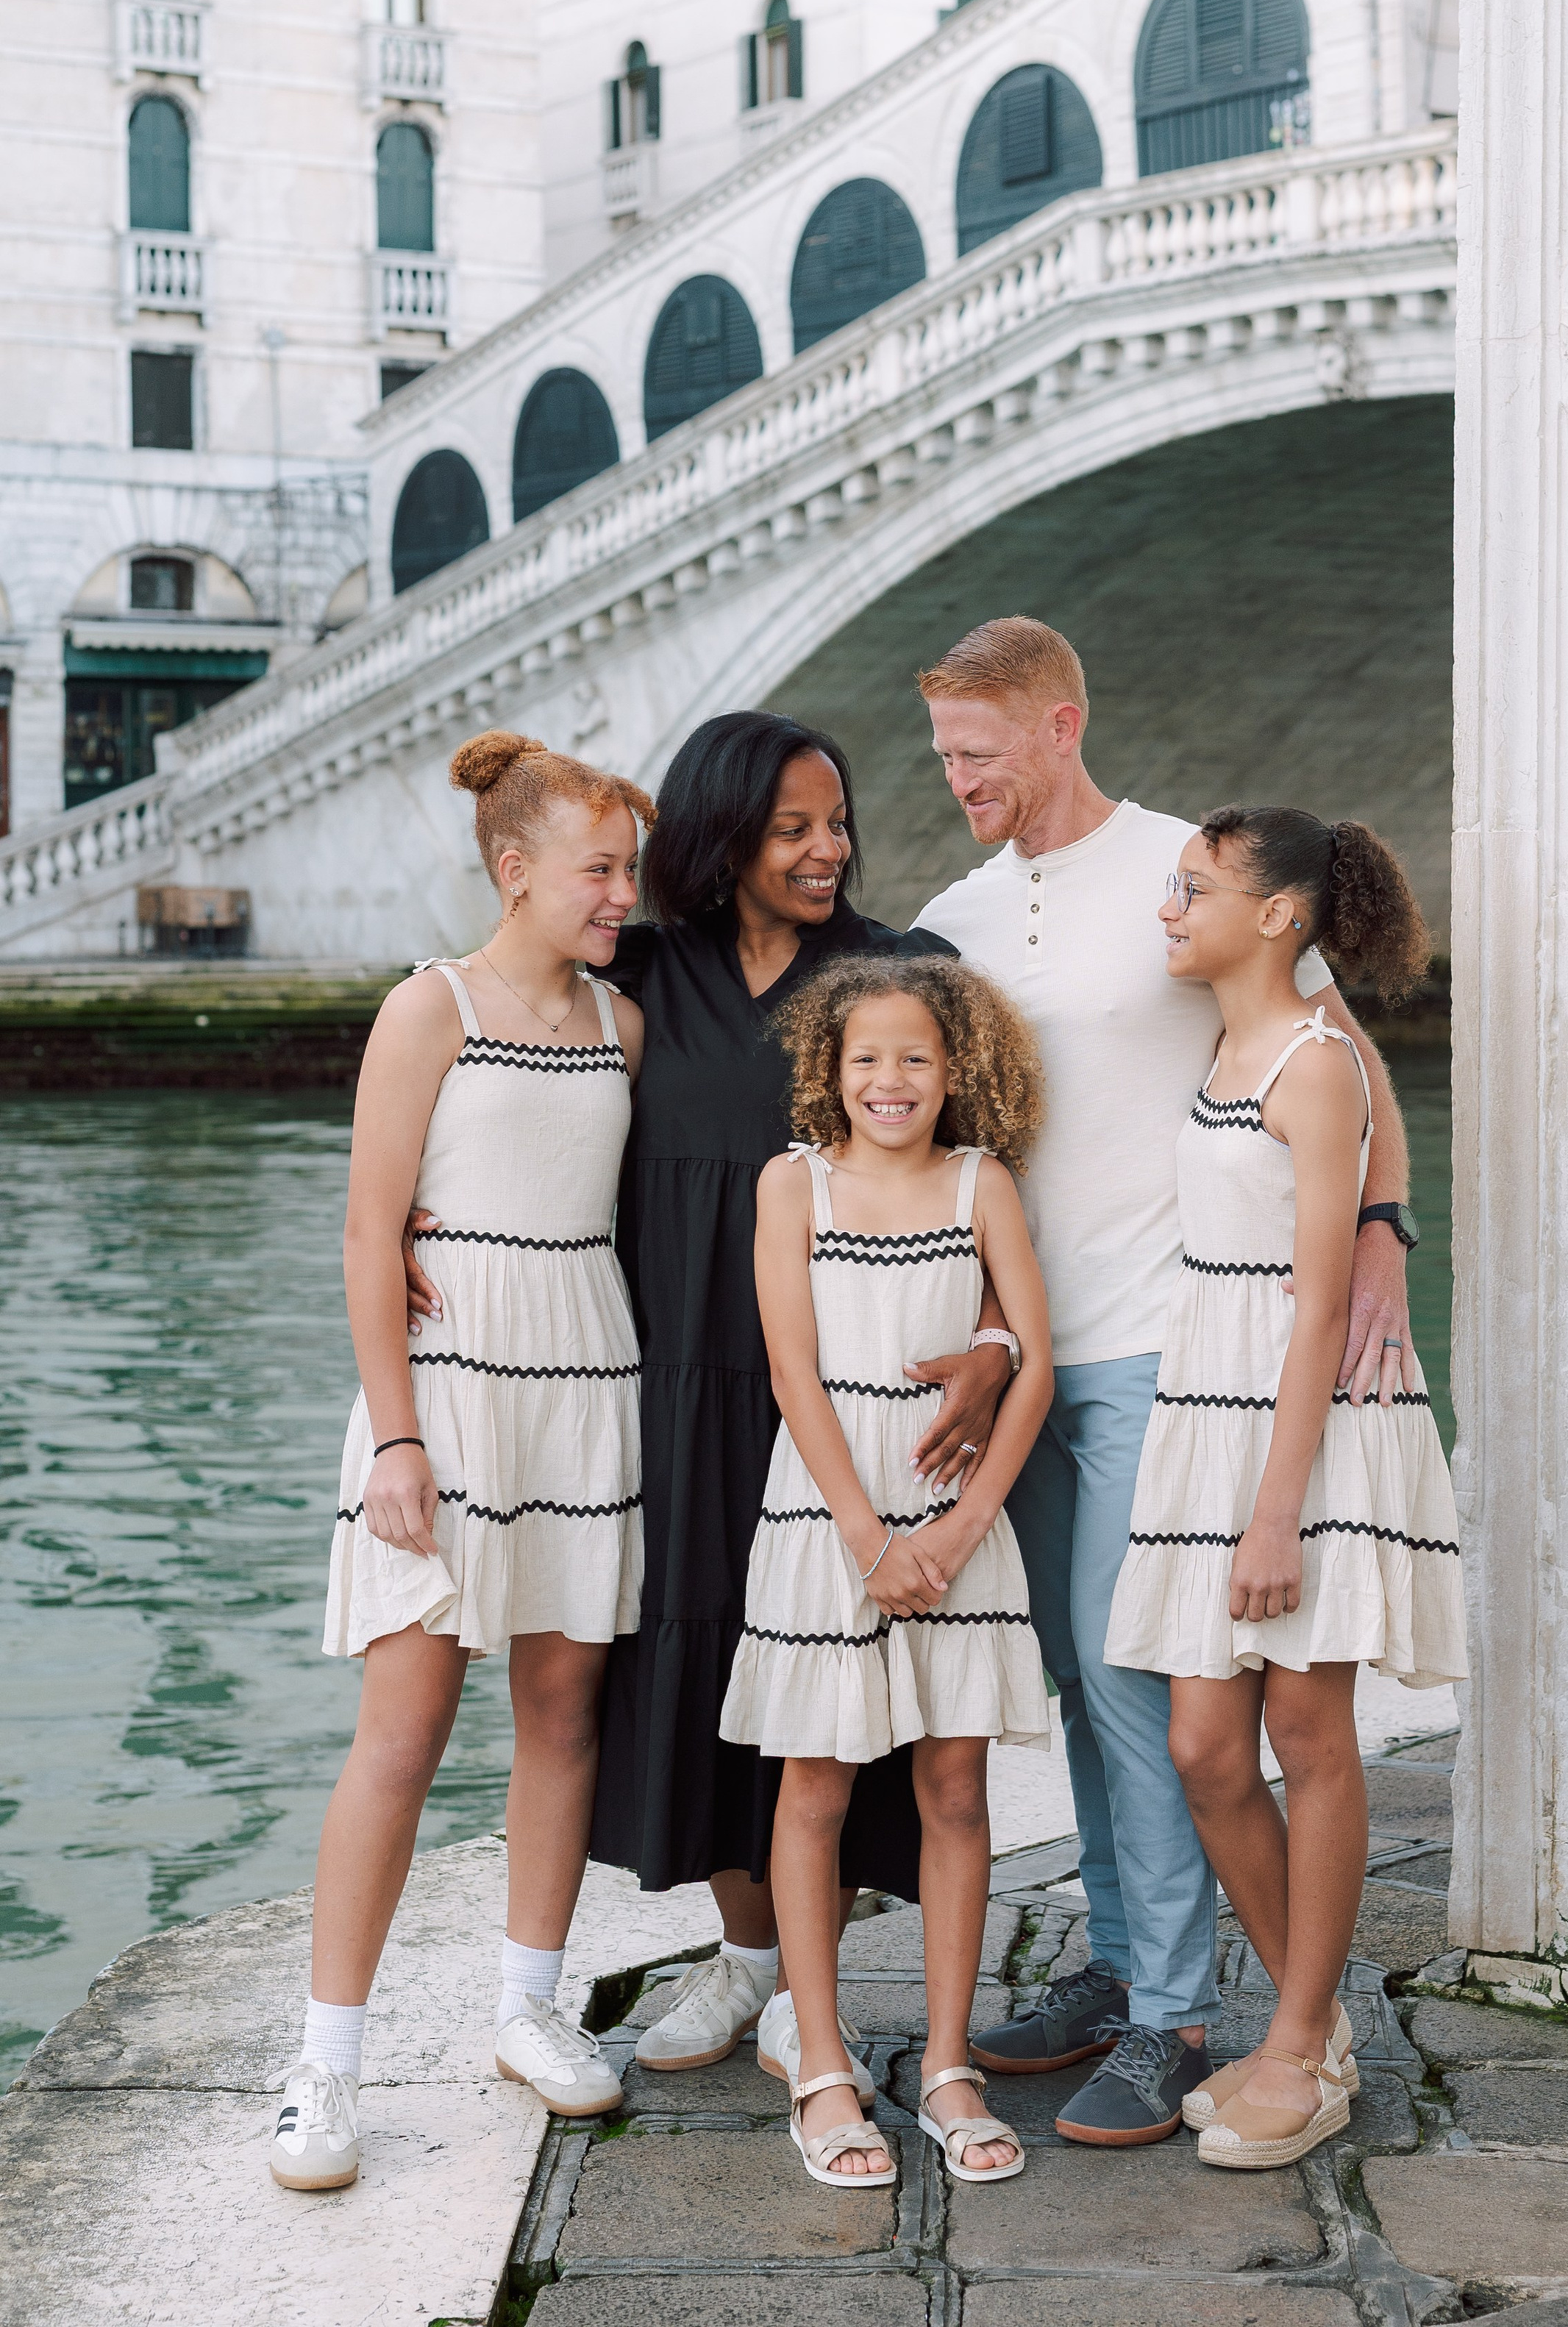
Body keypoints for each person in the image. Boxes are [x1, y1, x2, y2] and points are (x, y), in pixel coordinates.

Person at [912, 619, 1421, 2146]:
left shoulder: (1180, 879)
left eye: (977, 753)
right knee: (1080, 1674)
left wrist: (1383, 1227)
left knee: (1142, 1690)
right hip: (1023, 1350)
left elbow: (1337, 1058)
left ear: (1057, 724)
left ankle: (1171, 2015)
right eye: (940, 754)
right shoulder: (952, 915)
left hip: (1170, 1348)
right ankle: (1126, 1954)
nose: (957, 780)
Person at [577, 712, 1013, 2082]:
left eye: (837, 825)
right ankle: (752, 1962)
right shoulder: (646, 971)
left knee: (868, 1693)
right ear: (720, 837)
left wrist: (996, 1346)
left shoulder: (905, 976)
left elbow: (1000, 1183)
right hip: (680, 1384)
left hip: (867, 1393)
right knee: (707, 1664)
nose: (828, 850)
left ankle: (815, 1986)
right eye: (791, 829)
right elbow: (509, 1070)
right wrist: (419, 1220)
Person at [271, 732, 651, 2194]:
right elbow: (373, 1231)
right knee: (404, 1727)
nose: (621, 892)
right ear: (515, 870)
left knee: (561, 1714)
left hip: (585, 1382)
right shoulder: (426, 1008)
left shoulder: (624, 1026)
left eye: (626, 867)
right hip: (446, 1396)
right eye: (596, 869)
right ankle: (325, 2064)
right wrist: (400, 1435)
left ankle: (525, 2007)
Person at [1107, 808, 1464, 2168]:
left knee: (1310, 1736)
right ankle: (1309, 2026)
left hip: (1297, 1422)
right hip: (1211, 1401)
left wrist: (1275, 1510)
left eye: (1192, 890)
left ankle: (1301, 2044)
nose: (1169, 910)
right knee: (1207, 1745)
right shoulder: (1239, 1029)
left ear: (1276, 915)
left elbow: (1321, 1307)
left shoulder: (1314, 1066)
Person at [723, 955, 1053, 2189]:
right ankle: (820, 2066)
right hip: (828, 1521)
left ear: (954, 1070)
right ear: (831, 1072)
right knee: (812, 1787)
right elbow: (792, 1374)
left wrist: (962, 1529)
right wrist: (866, 1537)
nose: (891, 1079)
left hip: (956, 1523)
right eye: (866, 1058)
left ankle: (951, 2064)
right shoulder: (790, 1184)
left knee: (956, 1789)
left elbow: (1038, 1369)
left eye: (916, 1056)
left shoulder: (983, 1185)